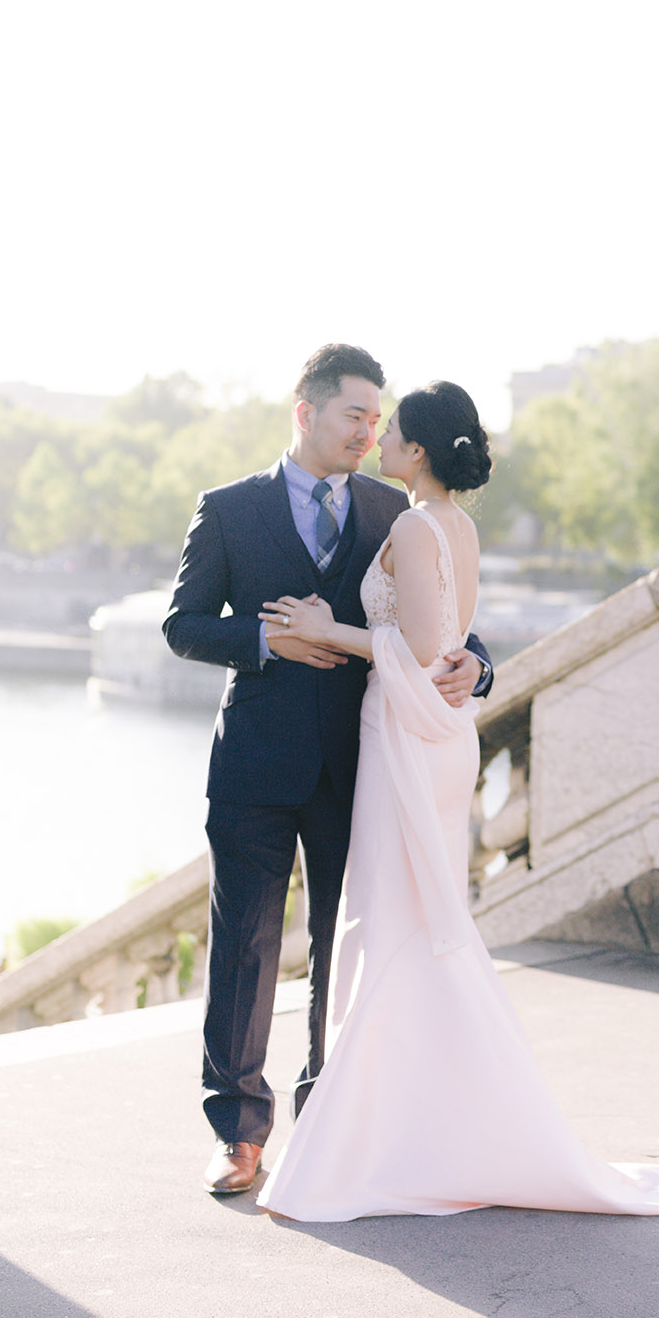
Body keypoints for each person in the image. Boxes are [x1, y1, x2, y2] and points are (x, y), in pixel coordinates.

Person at [253, 382, 659, 1221]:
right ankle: (423, 1128)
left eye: (391, 434)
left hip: (406, 738)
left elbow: (417, 652)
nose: (378, 441)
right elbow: (453, 645)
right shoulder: (461, 527)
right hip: (442, 738)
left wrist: (322, 625)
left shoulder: (416, 527)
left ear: (417, 451)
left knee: (388, 925)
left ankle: (366, 1147)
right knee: (416, 927)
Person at [163, 344, 494, 1196]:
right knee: (244, 946)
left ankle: (328, 1118)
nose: (368, 431)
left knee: (348, 948)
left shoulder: (399, 507)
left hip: (366, 761)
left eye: (378, 419)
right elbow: (184, 624)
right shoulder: (229, 508)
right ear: (304, 412)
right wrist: (268, 638)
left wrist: (477, 666)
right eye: (355, 414)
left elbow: (445, 618)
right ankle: (237, 1132)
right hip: (255, 762)